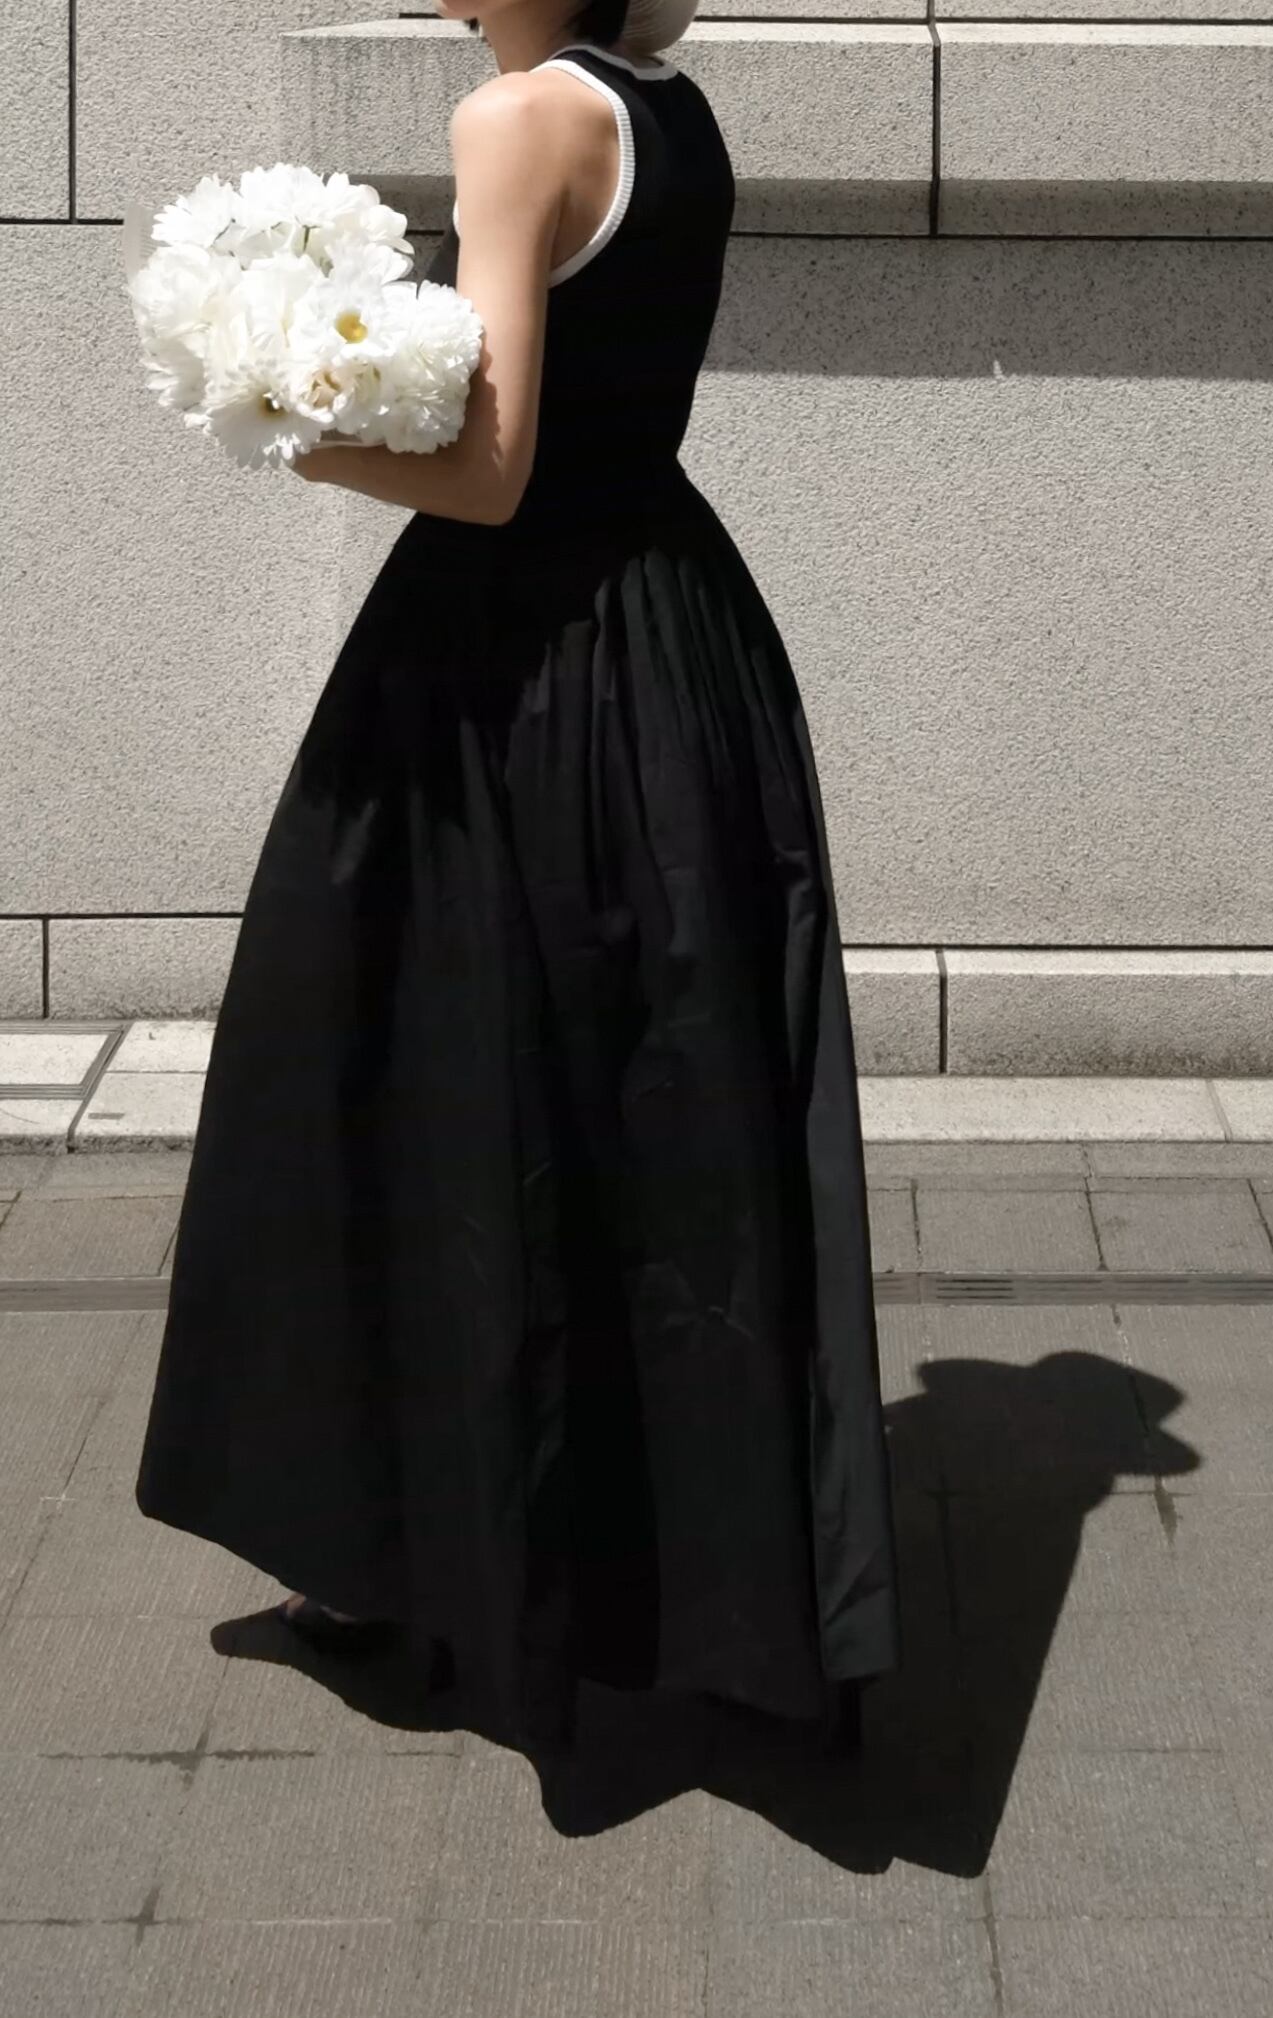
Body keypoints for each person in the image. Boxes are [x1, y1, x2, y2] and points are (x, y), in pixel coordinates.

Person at [134, 0, 901, 1758]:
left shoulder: (516, 123)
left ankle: (415, 1558)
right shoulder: (670, 110)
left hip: (515, 673)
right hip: (672, 639)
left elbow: (489, 475)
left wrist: (266, 412)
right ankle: (657, 1570)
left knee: (397, 1078)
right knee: (643, 1102)